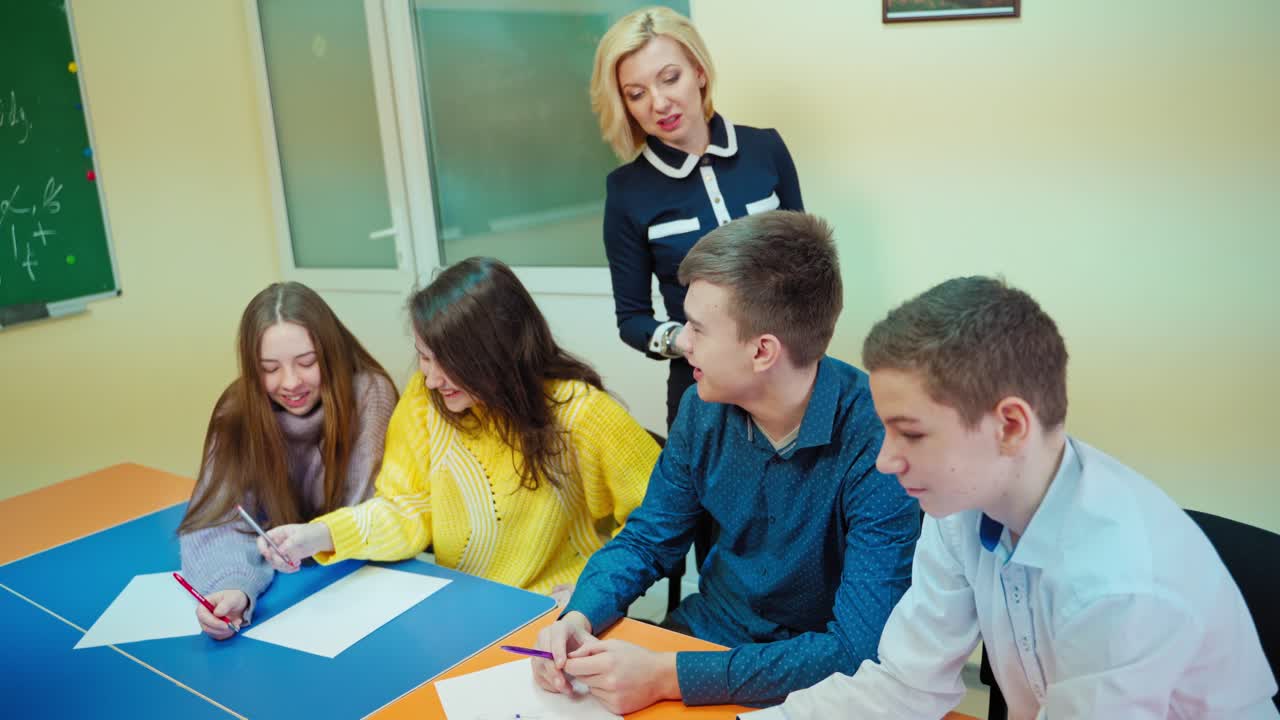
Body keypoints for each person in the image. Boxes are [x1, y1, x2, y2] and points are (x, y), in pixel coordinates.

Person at [750, 276, 1279, 719]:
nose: (885, 460)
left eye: (909, 433)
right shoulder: (961, 505)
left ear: (1009, 425)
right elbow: (907, 684)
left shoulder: (1120, 583)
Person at [532, 211, 920, 713]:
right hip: (704, 636)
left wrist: (670, 677)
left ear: (762, 351)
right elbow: (649, 539)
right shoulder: (703, 408)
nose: (683, 341)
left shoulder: (877, 442)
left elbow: (856, 650)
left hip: (810, 681)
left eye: (697, 328)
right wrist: (578, 615)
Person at [258, 258, 659, 601]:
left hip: (550, 612)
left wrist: (593, 587)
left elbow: (656, 521)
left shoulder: (581, 413)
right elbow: (404, 508)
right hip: (462, 606)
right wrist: (320, 535)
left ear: (491, 353)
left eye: (442, 362)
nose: (430, 379)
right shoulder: (425, 400)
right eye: (423, 358)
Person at [591, 5, 804, 431]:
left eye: (670, 78)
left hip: (790, 378)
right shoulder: (627, 191)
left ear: (699, 71)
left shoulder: (766, 150)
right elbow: (631, 319)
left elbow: (808, 265)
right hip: (701, 393)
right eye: (636, 93)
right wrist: (686, 341)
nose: (659, 102)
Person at [178, 281, 397, 640]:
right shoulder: (237, 410)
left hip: (364, 588)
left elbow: (375, 513)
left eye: (307, 362)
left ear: (331, 353)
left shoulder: (370, 395)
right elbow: (217, 518)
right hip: (288, 594)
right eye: (269, 368)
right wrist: (233, 586)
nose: (291, 382)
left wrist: (316, 540)